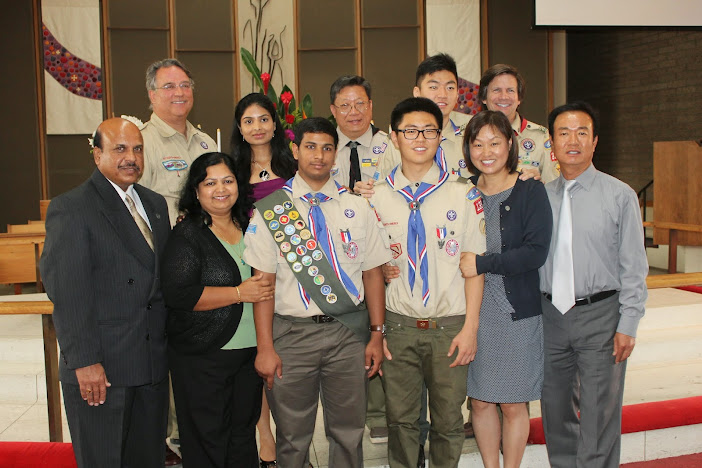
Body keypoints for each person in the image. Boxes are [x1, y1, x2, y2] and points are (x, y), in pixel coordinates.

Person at [244, 117, 391, 468]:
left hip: (347, 334)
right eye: (310, 147)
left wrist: (376, 334)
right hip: (291, 336)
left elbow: (372, 274)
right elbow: (262, 286)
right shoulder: (272, 210)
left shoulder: (358, 206)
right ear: (295, 150)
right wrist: (265, 348)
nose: (319, 156)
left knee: (348, 433)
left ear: (335, 153)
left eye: (327, 148)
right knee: (293, 437)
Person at [40, 117, 171, 468]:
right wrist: (85, 362)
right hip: (102, 369)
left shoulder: (155, 205)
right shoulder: (73, 207)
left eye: (137, 149)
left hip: (151, 365)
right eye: (120, 149)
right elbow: (68, 292)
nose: (131, 157)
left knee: (147, 460)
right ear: (97, 155)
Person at [369, 97, 485, 468]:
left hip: (450, 326)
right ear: (394, 137)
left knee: (449, 422)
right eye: (410, 131)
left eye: (429, 131)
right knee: (401, 421)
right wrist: (378, 330)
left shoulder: (464, 194)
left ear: (440, 136)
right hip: (399, 326)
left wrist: (470, 329)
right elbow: (366, 267)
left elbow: (475, 268)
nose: (420, 138)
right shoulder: (376, 197)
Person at [540, 101, 648, 468]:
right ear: (552, 142)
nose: (573, 141)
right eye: (564, 133)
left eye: (581, 133)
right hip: (550, 316)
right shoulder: (540, 197)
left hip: (601, 314)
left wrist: (629, 323)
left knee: (599, 411)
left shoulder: (619, 195)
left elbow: (634, 265)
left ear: (595, 141)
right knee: (555, 408)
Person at [160, 152, 274, 467]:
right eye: (210, 183)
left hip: (249, 353)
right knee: (207, 441)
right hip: (203, 355)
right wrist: (238, 293)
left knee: (242, 436)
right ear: (196, 191)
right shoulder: (187, 234)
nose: (220, 189)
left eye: (227, 180)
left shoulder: (251, 225)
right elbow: (179, 294)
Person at [458, 110, 552, 468]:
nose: (487, 152)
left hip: (515, 314)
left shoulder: (530, 190)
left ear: (510, 144)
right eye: (478, 143)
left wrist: (483, 264)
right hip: (471, 313)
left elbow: (535, 252)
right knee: (480, 402)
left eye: (495, 143)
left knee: (513, 404)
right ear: (467, 148)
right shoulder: (461, 192)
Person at [229, 92, 297, 467]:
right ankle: (265, 438)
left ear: (275, 124)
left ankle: (292, 440)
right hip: (250, 266)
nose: (257, 127)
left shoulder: (294, 162)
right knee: (259, 349)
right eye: (248, 121)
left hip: (296, 269)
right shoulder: (232, 170)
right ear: (240, 129)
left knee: (286, 354)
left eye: (263, 119)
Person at [140, 58, 217, 225]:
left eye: (185, 85)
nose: (179, 93)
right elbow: (135, 208)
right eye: (169, 86)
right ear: (152, 95)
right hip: (167, 239)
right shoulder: (142, 144)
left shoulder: (206, 143)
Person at [378, 53, 473, 180]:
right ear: (417, 92)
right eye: (434, 87)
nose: (443, 94)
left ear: (457, 94)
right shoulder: (398, 140)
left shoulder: (470, 138)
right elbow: (382, 185)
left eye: (450, 87)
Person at [479, 64, 560, 183]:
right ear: (484, 97)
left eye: (510, 90)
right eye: (496, 90)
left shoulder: (541, 137)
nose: (504, 97)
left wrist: (538, 184)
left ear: (519, 99)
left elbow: (554, 186)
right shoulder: (465, 136)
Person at [329, 75, 390, 191]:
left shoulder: (389, 145)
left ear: (370, 105)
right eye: (345, 105)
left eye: (360, 103)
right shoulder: (322, 148)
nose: (354, 112)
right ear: (333, 110)